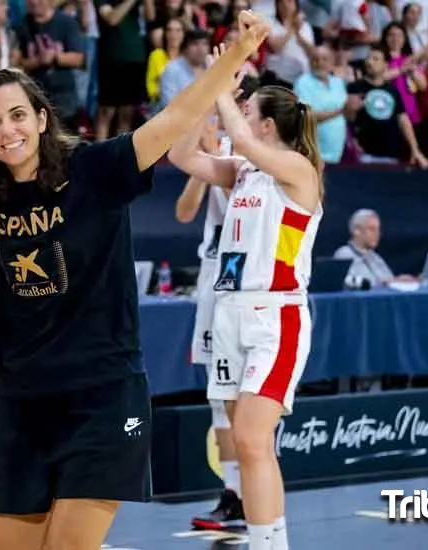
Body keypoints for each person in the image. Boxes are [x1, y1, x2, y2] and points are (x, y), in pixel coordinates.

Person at [0, 12, 270, 550]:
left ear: (39, 117)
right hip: (21, 402)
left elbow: (172, 121)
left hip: (101, 396)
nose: (6, 130)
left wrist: (237, 54)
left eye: (16, 116)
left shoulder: (96, 169)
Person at [167, 46, 324, 550]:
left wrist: (220, 82)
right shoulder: (244, 171)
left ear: (267, 126)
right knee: (249, 448)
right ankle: (265, 540)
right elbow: (182, 156)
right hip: (231, 312)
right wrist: (206, 101)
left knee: (255, 441)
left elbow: (235, 134)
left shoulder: (298, 171)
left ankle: (271, 545)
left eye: (249, 109)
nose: (242, 113)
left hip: (275, 315)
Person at [176, 74, 258, 532]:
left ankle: (250, 491)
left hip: (245, 278)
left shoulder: (256, 153)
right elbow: (185, 212)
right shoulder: (217, 147)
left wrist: (218, 152)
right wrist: (204, 160)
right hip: (212, 277)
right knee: (218, 394)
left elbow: (244, 200)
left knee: (245, 394)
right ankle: (232, 494)